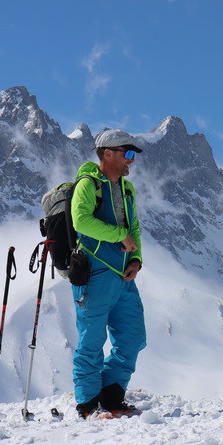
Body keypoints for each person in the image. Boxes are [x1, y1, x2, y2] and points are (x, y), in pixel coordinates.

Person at [69, 129, 145, 419]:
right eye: (127, 154)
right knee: (91, 342)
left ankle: (112, 398)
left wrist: (136, 258)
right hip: (95, 273)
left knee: (133, 337)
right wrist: (119, 236)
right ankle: (88, 406)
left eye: (132, 155)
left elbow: (133, 226)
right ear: (108, 153)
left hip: (123, 275)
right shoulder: (88, 184)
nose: (131, 161)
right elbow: (81, 221)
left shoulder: (127, 189)